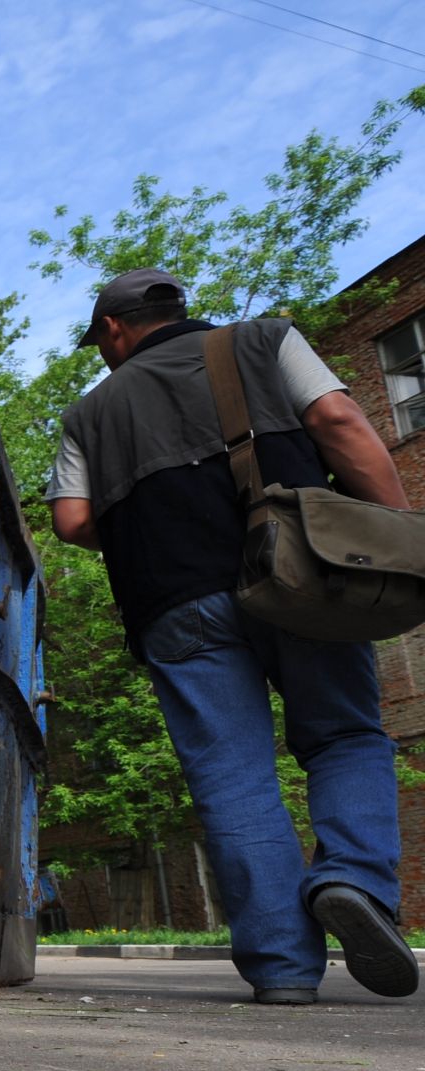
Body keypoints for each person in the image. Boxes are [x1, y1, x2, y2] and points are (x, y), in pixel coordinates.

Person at [47, 267, 416, 1004]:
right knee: (343, 736)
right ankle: (351, 878)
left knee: (231, 776)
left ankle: (283, 968)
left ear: (114, 331)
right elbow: (341, 422)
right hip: (302, 576)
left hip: (174, 604)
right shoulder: (266, 340)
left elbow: (73, 520)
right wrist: (401, 530)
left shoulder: (88, 414)